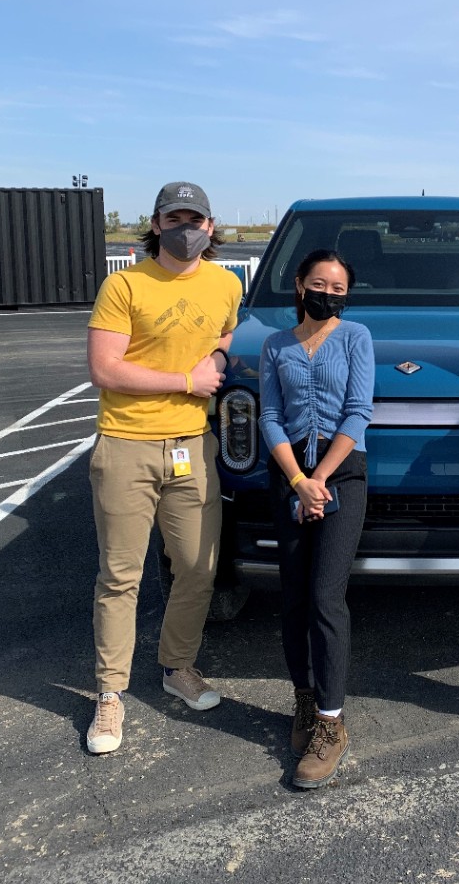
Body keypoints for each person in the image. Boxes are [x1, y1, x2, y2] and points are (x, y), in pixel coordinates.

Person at [85, 182, 242, 754]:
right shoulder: (124, 285)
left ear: (210, 223)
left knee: (198, 568)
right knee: (120, 576)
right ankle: (109, 695)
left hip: (192, 445)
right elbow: (105, 369)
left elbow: (226, 331)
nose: (186, 227)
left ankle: (178, 667)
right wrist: (187, 381)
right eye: (174, 217)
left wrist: (219, 356)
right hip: (126, 444)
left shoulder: (225, 283)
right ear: (155, 224)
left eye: (195, 218)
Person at [258, 249, 374, 789]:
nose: (328, 292)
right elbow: (271, 415)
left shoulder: (356, 338)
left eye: (339, 286)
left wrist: (320, 480)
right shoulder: (274, 344)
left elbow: (358, 412)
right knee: (295, 596)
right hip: (289, 475)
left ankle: (331, 720)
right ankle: (303, 701)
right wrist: (297, 481)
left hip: (342, 474)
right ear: (299, 284)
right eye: (319, 283)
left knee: (327, 596)